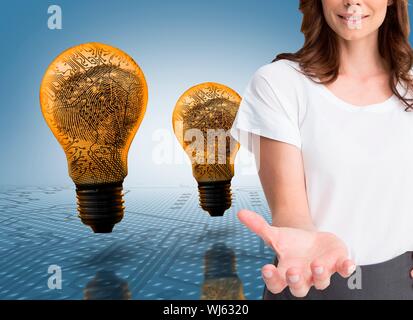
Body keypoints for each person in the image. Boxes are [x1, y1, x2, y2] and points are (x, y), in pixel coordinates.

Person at [230, 0, 413, 299]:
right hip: (309, 279)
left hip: (401, 285)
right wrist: (305, 245)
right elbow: (290, 212)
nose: (353, 2)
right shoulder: (280, 83)